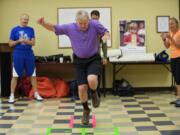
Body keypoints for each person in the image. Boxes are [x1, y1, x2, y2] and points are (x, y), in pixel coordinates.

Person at [37, 10, 110, 125]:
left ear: (88, 21)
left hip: (93, 58)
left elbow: (106, 32)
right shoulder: (70, 27)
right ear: (76, 21)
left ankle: (94, 93)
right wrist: (43, 23)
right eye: (80, 23)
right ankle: (86, 110)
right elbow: (54, 28)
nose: (83, 26)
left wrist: (105, 36)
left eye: (85, 23)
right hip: (79, 61)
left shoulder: (94, 24)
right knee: (81, 88)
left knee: (92, 79)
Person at [8, 14, 43, 103]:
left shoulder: (31, 29)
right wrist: (18, 41)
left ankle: (36, 93)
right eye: (24, 19)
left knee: (33, 74)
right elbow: (10, 44)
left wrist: (26, 41)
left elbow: (33, 43)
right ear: (20, 19)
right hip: (18, 54)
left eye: (27, 19)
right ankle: (11, 95)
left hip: (28, 54)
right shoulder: (14, 29)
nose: (25, 21)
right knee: (15, 75)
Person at [161, 17, 180, 107]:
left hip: (179, 57)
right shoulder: (170, 33)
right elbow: (167, 46)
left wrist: (170, 38)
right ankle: (178, 98)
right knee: (176, 78)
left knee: (179, 79)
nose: (170, 25)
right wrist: (164, 39)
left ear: (176, 24)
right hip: (173, 58)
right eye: (169, 24)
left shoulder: (179, 33)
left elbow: (178, 46)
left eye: (172, 23)